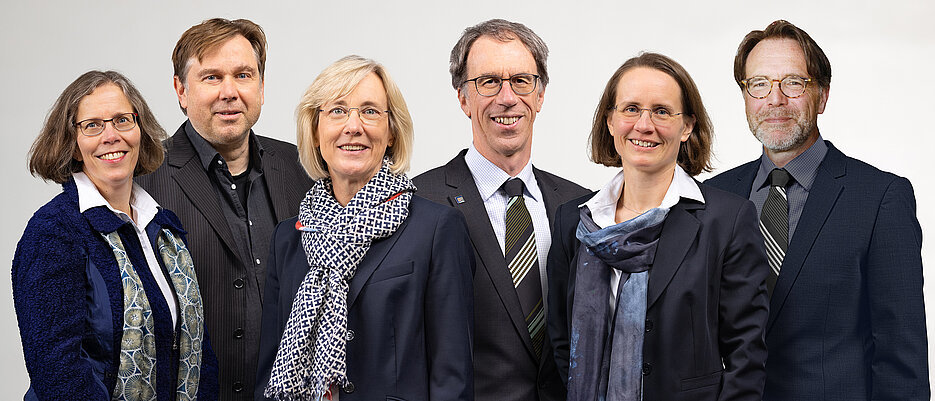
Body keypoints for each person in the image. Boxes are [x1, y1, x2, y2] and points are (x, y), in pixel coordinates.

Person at [705, 20, 929, 400]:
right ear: (745, 96)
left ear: (822, 95)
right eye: (759, 84)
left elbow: (900, 360)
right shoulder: (712, 196)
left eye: (793, 82)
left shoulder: (880, 198)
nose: (775, 99)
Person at [548, 53, 770, 400]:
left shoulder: (727, 221)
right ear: (610, 121)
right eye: (631, 109)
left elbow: (746, 357)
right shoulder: (574, 222)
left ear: (687, 126)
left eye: (662, 111)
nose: (644, 125)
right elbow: (561, 344)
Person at [255, 55, 474, 401]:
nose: (353, 126)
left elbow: (452, 377)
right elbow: (269, 372)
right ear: (315, 131)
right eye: (337, 111)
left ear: (390, 133)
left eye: (370, 111)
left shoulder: (436, 229)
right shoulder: (289, 237)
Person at [135, 18, 314, 399]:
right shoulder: (143, 179)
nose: (229, 92)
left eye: (243, 75)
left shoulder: (304, 169)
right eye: (212, 77)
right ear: (180, 90)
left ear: (262, 87)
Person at [13, 70, 219, 400]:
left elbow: (198, 350)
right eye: (93, 125)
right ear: (74, 145)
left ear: (140, 130)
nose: (111, 135)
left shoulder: (164, 229)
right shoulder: (53, 232)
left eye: (123, 120)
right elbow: (58, 374)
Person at [413, 19, 588, 401]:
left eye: (522, 81)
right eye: (489, 82)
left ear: (540, 95)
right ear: (463, 98)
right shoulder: (416, 202)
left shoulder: (582, 206)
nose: (507, 98)